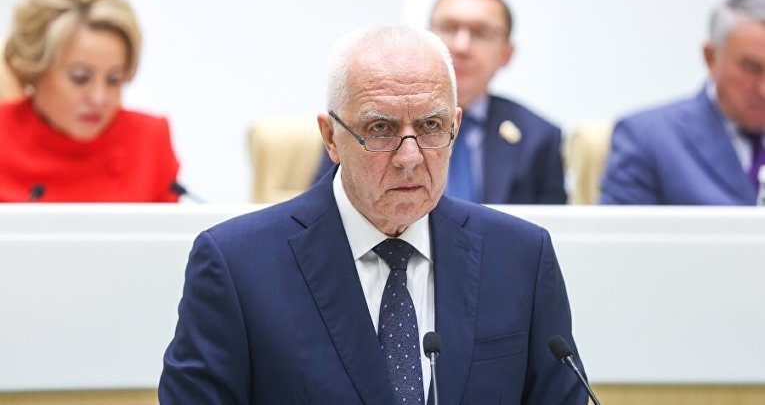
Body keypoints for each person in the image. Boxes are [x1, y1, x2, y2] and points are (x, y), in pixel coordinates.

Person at [160, 25, 587, 404]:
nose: (410, 158)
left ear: (455, 126)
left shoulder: (520, 258)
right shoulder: (237, 266)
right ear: (331, 137)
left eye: (431, 126)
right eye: (381, 129)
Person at [313, 0, 566, 204]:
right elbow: (322, 209)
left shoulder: (539, 137)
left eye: (481, 33)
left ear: (506, 54)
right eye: (449, 28)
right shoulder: (361, 119)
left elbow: (558, 232)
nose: (461, 46)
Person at [0, 0, 180, 202]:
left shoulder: (149, 140)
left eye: (113, 79)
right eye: (81, 78)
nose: (99, 98)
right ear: (36, 69)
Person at [600, 0, 765, 205]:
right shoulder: (648, 139)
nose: (763, 89)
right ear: (711, 57)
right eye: (751, 68)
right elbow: (621, 226)